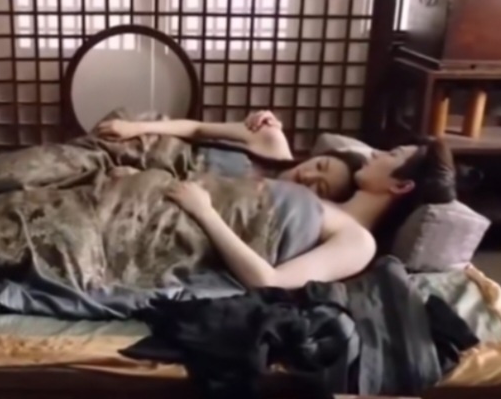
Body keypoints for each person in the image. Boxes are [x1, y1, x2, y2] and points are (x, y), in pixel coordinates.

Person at [163, 137, 456, 289]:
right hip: (187, 194)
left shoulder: (359, 241)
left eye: (392, 155)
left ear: (401, 186)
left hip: (190, 217)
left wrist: (204, 213)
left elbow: (269, 282)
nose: (375, 154)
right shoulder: (332, 198)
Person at [96, 111, 366, 202]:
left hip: (158, 191)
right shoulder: (270, 138)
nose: (307, 175)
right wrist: (134, 128)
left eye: (320, 188)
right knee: (94, 149)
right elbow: (197, 128)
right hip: (160, 147)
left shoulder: (279, 212)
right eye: (320, 165)